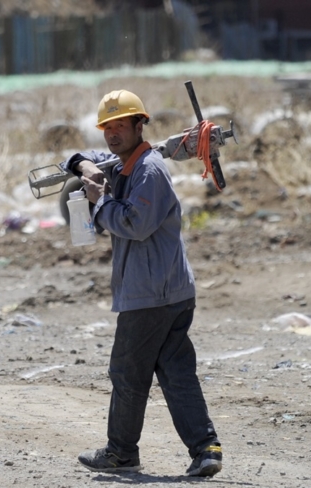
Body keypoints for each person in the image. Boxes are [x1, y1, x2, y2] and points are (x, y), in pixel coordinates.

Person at [60, 89, 222, 477]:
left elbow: (134, 224)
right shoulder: (123, 163)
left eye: (120, 126)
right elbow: (72, 158)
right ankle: (206, 449)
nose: (113, 134)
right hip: (172, 290)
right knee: (175, 371)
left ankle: (120, 453)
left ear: (140, 125)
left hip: (152, 295)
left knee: (128, 374)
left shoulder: (148, 171)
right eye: (107, 127)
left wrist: (99, 202)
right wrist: (84, 167)